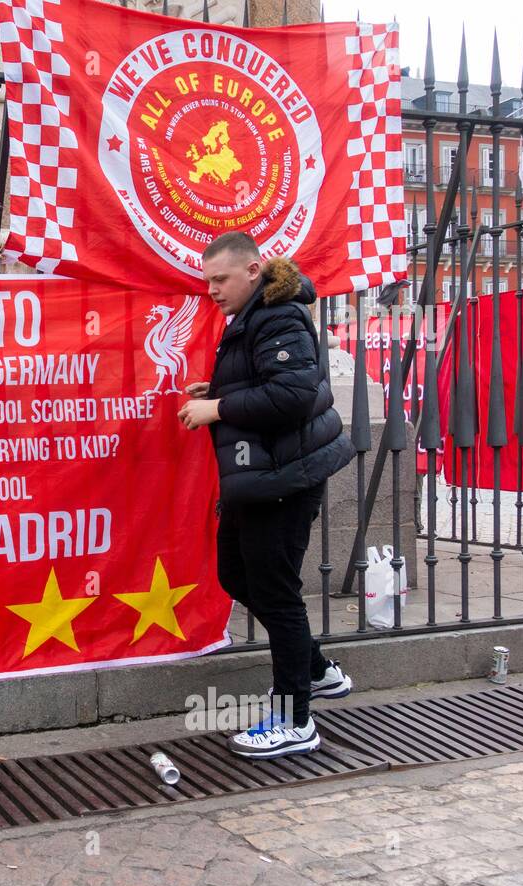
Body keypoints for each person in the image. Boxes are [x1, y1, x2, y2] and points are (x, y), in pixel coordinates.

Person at [177, 231, 357, 759]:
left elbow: (296, 394)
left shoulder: (279, 315)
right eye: (207, 279)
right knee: (233, 574)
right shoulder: (251, 316)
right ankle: (317, 670)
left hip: (284, 479)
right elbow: (269, 381)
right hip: (259, 476)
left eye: (220, 279)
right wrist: (221, 392)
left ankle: (295, 721)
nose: (211, 289)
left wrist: (219, 409)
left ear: (253, 271)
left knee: (277, 596)